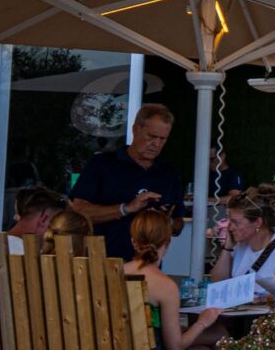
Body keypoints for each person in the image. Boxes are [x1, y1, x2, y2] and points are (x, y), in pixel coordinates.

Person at [121, 208, 229, 350]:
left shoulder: (115, 273)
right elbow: (174, 347)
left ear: (133, 241)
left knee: (218, 334)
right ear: (168, 243)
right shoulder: (165, 286)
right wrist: (203, 321)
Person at [66, 104, 187, 263]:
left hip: (148, 269)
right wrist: (126, 208)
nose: (156, 144)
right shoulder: (103, 164)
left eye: (162, 139)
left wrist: (163, 222)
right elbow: (78, 211)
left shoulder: (168, 173)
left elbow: (178, 223)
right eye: (151, 136)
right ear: (135, 129)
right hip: (102, 264)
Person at [215, 185, 275, 298]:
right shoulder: (241, 246)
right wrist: (227, 247)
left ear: (258, 223)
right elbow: (218, 282)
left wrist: (260, 299)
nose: (230, 228)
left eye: (236, 223)